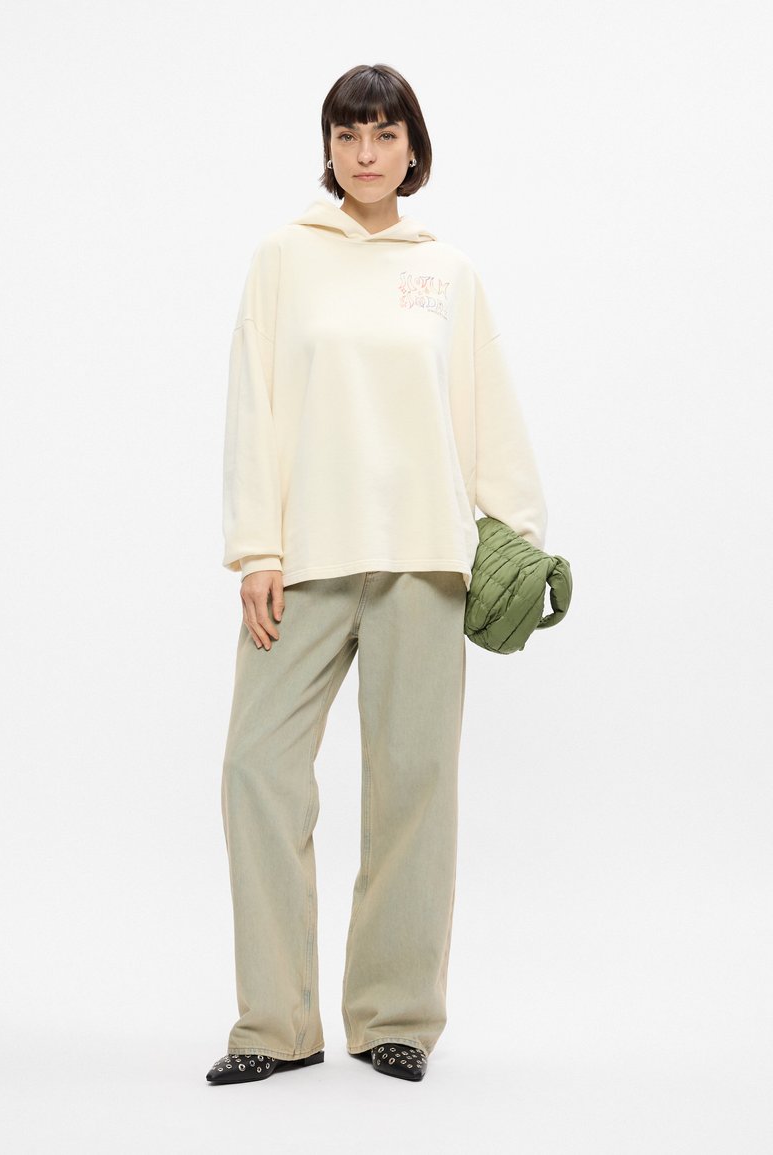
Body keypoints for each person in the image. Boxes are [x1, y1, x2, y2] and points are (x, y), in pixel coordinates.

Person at [206, 62, 548, 1086]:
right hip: (305, 561)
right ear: (328, 147)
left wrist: (521, 540)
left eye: (384, 134)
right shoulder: (283, 257)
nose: (365, 153)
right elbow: (253, 402)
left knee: (414, 786)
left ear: (412, 147)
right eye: (347, 134)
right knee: (255, 770)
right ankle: (276, 1025)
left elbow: (486, 413)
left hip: (423, 561)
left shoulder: (447, 272)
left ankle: (394, 1017)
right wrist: (256, 549)